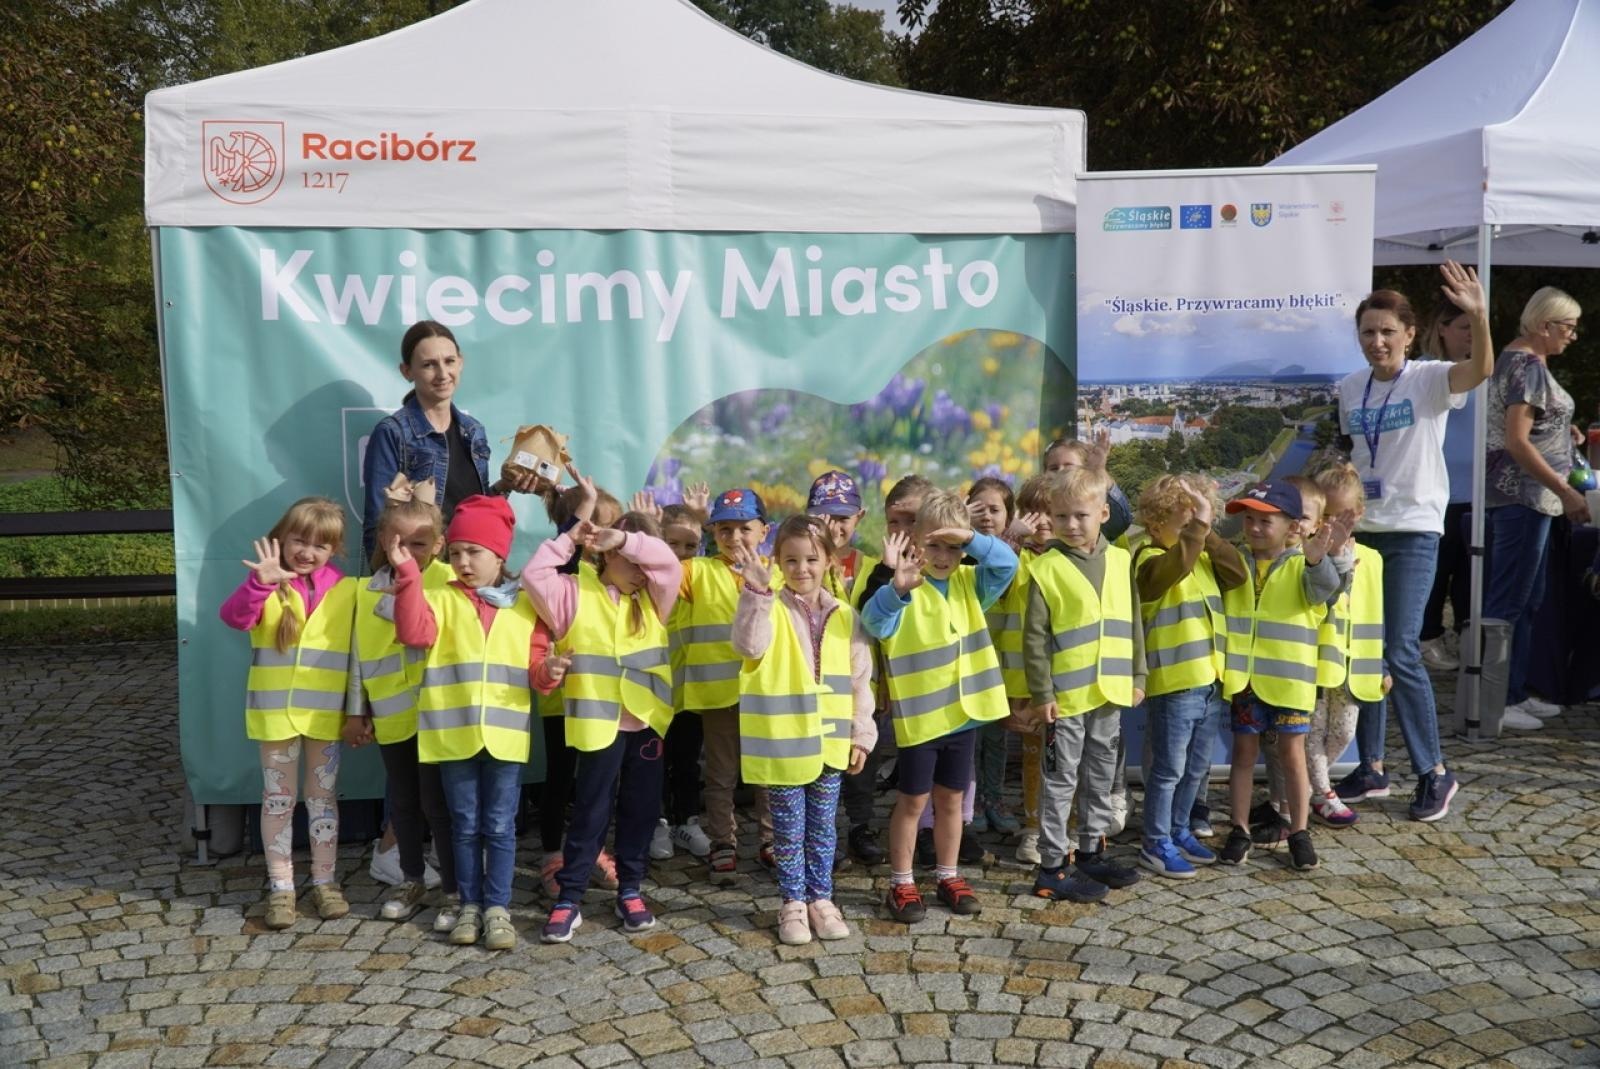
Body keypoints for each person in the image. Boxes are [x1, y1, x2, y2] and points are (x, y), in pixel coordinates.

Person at [1333, 261, 1492, 822]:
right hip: (1366, 533)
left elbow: (1479, 370)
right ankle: (1372, 767)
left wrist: (1476, 313)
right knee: (1367, 651)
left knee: (1400, 649)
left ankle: (1434, 772)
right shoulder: (1349, 388)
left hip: (1415, 531)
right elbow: (1353, 455)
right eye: (1368, 333)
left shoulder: (1428, 377)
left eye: (1387, 332)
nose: (1377, 342)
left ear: (1408, 334)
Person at [392, 494, 546, 952]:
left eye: (473, 552)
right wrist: (406, 577)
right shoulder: (436, 596)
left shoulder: (525, 605)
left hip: (503, 737)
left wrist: (550, 673)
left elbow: (537, 670)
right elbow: (412, 633)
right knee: (463, 824)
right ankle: (468, 905)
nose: (462, 562)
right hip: (451, 735)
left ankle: (498, 907)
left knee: (498, 825)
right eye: (455, 552)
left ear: (501, 555)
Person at [523, 511, 681, 944]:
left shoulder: (654, 597)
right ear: (605, 556)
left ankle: (630, 890)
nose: (643, 572)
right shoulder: (573, 593)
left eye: (643, 561)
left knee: (640, 811)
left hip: (646, 726)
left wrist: (627, 541)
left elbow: (669, 564)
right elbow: (534, 573)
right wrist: (571, 537)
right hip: (598, 726)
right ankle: (569, 898)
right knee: (590, 812)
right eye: (631, 562)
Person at [865, 489, 1017, 922]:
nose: (944, 555)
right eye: (933, 544)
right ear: (914, 542)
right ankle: (902, 882)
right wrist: (896, 589)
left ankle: (948, 874)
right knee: (913, 803)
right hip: (922, 721)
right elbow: (874, 623)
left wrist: (969, 538)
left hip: (963, 716)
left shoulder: (972, 583)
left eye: (953, 547)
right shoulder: (904, 587)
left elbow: (1007, 563)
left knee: (951, 801)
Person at [731, 516, 876, 944]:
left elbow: (859, 681)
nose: (802, 568)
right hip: (783, 743)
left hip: (830, 742)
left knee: (823, 826)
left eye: (812, 559)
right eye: (790, 560)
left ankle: (821, 899)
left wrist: (860, 734)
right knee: (787, 829)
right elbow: (749, 646)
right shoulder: (767, 605)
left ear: (829, 560)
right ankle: (792, 903)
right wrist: (756, 592)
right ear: (777, 561)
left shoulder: (846, 616)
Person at [219, 496, 355, 930]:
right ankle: (281, 888)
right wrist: (260, 583)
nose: (307, 552)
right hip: (275, 717)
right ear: (282, 538)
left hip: (325, 718)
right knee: (278, 801)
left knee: (323, 801)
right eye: (299, 540)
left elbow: (360, 657)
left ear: (333, 550)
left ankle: (325, 882)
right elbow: (234, 618)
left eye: (320, 545)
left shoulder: (347, 590)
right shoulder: (265, 582)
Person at [1023, 467, 1145, 902]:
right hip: (1065, 700)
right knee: (1059, 778)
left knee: (1099, 776)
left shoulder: (1120, 559)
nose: (1071, 526)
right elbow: (1034, 639)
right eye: (1061, 518)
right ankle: (1053, 866)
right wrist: (1042, 695)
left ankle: (1092, 851)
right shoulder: (1045, 568)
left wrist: (1138, 674)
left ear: (1102, 513)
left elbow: (1132, 623)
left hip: (1109, 694)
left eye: (1080, 516)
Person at [344, 493, 460, 930]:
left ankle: (454, 889)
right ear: (381, 540)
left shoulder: (452, 580)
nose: (406, 552)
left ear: (439, 544)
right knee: (406, 804)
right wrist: (358, 710)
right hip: (393, 715)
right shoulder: (365, 588)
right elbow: (358, 654)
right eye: (398, 542)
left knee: (441, 805)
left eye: (419, 543)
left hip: (441, 715)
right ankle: (412, 878)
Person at [1218, 482, 1346, 872]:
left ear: (1293, 527)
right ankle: (1238, 830)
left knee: (1293, 758)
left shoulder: (1303, 564)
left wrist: (1317, 560)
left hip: (1290, 683)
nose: (1254, 528)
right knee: (1242, 755)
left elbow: (1325, 592)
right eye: (1249, 520)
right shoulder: (1236, 561)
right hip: (1246, 681)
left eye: (1265, 521)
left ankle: (1299, 831)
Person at [1133, 474, 1246, 879]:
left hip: (1210, 681)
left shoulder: (1200, 555)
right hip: (1175, 683)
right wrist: (1195, 532)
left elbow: (1237, 574)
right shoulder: (1148, 558)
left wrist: (1207, 532)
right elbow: (1168, 572)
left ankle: (1179, 829)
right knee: (1167, 770)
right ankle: (1155, 841)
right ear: (1154, 523)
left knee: (1196, 769)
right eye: (1184, 524)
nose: (1194, 532)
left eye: (1197, 523)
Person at [1483, 286, 1585, 728]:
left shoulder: (1520, 361)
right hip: (1523, 495)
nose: (1573, 336)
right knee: (1511, 599)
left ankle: (1514, 690)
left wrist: (1566, 433)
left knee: (1527, 598)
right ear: (1545, 325)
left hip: (1528, 497)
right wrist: (1566, 492)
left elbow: (1534, 427)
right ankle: (1497, 702)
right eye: (1569, 327)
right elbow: (1517, 440)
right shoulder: (1528, 366)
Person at [360, 320, 544, 562]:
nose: (442, 374)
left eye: (449, 361)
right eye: (428, 365)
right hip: (421, 576)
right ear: (407, 372)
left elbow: (475, 511)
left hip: (469, 573)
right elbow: (378, 526)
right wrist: (402, 583)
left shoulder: (473, 430)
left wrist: (505, 486)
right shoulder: (392, 433)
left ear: (461, 362)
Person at [677, 488, 776, 882]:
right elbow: (658, 570)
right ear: (712, 533)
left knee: (768, 772)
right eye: (724, 530)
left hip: (766, 696)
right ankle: (723, 842)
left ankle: (771, 841)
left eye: (744, 529)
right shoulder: (697, 571)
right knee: (720, 775)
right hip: (718, 695)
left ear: (764, 531)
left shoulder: (778, 570)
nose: (735, 538)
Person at [839, 474, 934, 867]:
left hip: (929, 685)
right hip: (883, 681)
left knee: (926, 763)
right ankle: (861, 826)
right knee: (868, 758)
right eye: (893, 521)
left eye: (910, 520)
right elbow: (864, 616)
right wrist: (886, 572)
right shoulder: (875, 567)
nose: (900, 530)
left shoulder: (947, 562)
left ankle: (928, 831)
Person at [1308, 463, 1386, 828]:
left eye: (1343, 515)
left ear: (1359, 513)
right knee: (1313, 732)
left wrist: (1380, 665)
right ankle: (1323, 794)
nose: (1335, 524)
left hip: (1355, 667)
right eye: (1327, 515)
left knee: (1344, 733)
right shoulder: (1311, 556)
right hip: (1318, 662)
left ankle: (1313, 786)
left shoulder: (1373, 559)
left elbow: (1374, 612)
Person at [653, 495, 714, 862]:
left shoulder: (700, 579)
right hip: (654, 693)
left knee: (688, 760)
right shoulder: (647, 580)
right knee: (654, 762)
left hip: (690, 694)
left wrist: (705, 521)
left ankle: (686, 820)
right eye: (672, 544)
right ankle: (656, 821)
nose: (681, 552)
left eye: (690, 546)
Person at [966, 477, 1026, 837]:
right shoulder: (958, 557)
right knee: (971, 739)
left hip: (1002, 665)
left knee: (996, 738)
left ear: (1009, 515)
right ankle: (971, 802)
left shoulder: (1017, 555)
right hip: (969, 666)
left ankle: (994, 798)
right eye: (979, 508)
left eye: (995, 509)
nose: (987, 516)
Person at [1418, 300, 1476, 672]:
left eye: (1475, 327)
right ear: (1442, 328)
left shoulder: (1483, 370)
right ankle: (1427, 637)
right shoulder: (1425, 371)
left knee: (1469, 571)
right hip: (1439, 489)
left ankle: (1460, 634)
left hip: (1477, 490)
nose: (1471, 334)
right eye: (1464, 326)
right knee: (1437, 571)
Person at [1043, 433, 1133, 544]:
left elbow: (1118, 524)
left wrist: (1099, 472)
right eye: (1053, 468)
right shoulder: (1036, 499)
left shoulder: (1090, 500)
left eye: (1069, 466)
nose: (1061, 471)